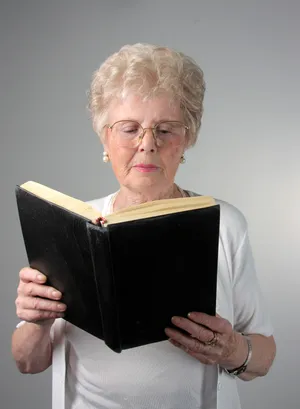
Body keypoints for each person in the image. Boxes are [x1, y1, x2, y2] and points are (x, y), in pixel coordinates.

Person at [12, 43, 276, 409]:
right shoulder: (74, 225)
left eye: (166, 129)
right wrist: (37, 321)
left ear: (188, 138)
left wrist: (233, 349)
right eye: (129, 128)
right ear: (105, 138)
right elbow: (27, 362)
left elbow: (262, 358)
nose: (147, 145)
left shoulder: (226, 224)